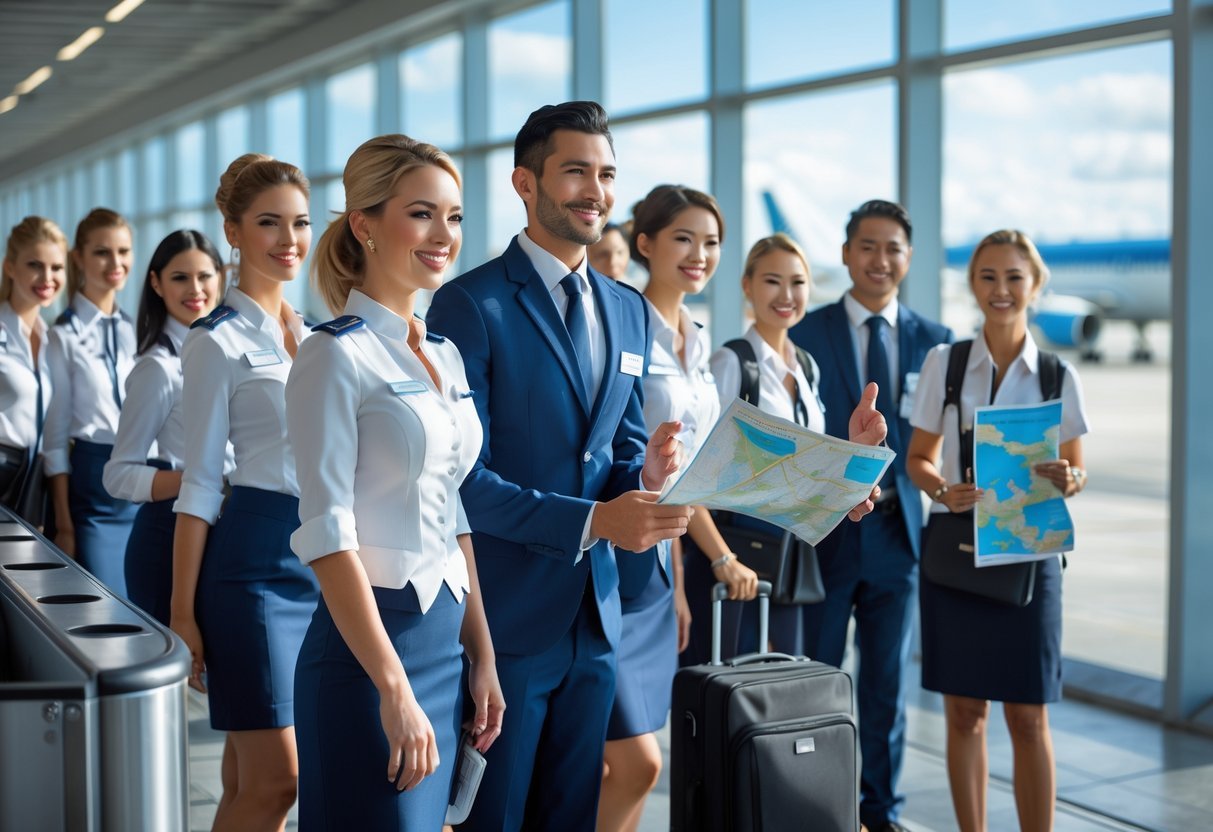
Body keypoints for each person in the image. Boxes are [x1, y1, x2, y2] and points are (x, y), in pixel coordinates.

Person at [425, 100, 692, 832]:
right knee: (495, 818)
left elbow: (621, 448)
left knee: (571, 816)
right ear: (524, 182)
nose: (594, 191)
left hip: (597, 619)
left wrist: (646, 481)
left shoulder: (629, 309)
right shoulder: (469, 305)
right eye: (575, 171)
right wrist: (595, 518)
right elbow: (460, 481)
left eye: (605, 174)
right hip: (506, 618)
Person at [286, 134, 505, 829]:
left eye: (456, 216)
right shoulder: (333, 354)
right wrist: (393, 690)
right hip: (367, 657)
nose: (444, 235)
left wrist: (482, 652)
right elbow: (327, 532)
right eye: (421, 214)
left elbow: (453, 507)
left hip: (445, 637)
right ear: (364, 223)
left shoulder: (444, 354)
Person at [907, 229, 1089, 832]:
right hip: (959, 554)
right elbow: (918, 459)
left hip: (1031, 558)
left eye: (1014, 277)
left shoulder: (1058, 374)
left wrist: (1068, 477)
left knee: (1030, 718)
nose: (1001, 289)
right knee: (964, 714)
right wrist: (940, 489)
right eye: (988, 276)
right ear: (973, 284)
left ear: (1035, 286)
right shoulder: (947, 363)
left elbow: (1077, 472)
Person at [792, 199, 954, 832]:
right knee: (821, 684)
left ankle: (880, 813)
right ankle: (818, 807)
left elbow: (942, 441)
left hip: (898, 539)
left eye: (893, 249)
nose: (879, 260)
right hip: (828, 535)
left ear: (908, 258)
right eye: (867, 246)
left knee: (886, 691)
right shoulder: (806, 332)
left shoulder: (935, 342)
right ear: (845, 252)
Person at [170, 153, 319, 831]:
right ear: (232, 232)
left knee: (243, 781)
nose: (289, 239)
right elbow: (199, 482)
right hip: (253, 570)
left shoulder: (320, 336)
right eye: (269, 223)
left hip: (319, 560)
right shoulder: (215, 342)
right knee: (278, 780)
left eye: (300, 223)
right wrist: (182, 611)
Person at [597, 184, 753, 831]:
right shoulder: (620, 325)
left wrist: (684, 580)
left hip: (661, 567)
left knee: (624, 768)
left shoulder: (700, 338)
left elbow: (692, 478)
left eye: (711, 242)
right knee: (633, 764)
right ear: (645, 244)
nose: (700, 254)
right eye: (684, 238)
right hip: (608, 554)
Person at [102, 230, 224, 625]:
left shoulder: (233, 352)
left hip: (225, 532)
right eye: (179, 277)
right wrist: (204, 480)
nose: (196, 288)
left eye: (205, 276)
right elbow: (118, 475)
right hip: (168, 537)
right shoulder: (158, 369)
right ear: (156, 283)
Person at [43, 208, 138, 595]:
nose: (115, 263)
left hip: (141, 485)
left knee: (146, 609)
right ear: (79, 258)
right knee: (108, 604)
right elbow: (55, 440)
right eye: (102, 252)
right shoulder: (62, 336)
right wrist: (64, 526)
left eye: (123, 251)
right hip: (93, 495)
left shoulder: (136, 329)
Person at [0, 216, 67, 523]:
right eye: (34, 265)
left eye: (56, 267)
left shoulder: (51, 337)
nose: (47, 277)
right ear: (10, 267)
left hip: (30, 482)